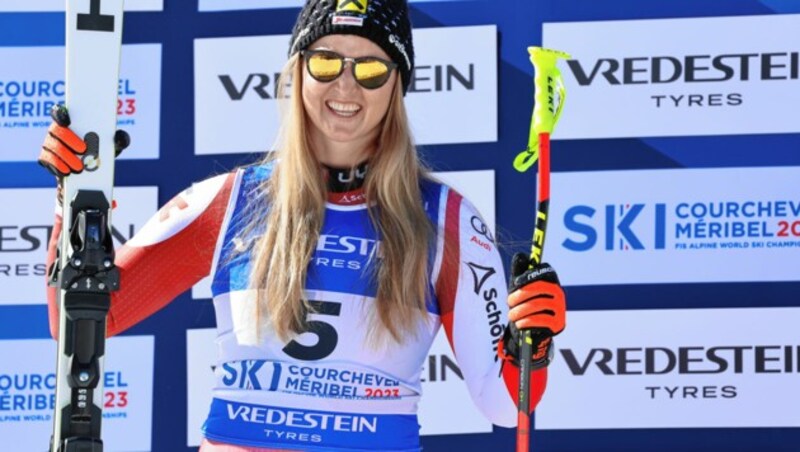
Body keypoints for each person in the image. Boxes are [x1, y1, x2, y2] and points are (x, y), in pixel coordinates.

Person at [38, 0, 567, 450]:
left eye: (371, 70)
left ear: (397, 86)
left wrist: (533, 342)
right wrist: (73, 202)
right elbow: (79, 325)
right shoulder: (231, 201)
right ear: (296, 71)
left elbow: (503, 400)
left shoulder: (447, 220)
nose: (346, 85)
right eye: (325, 61)